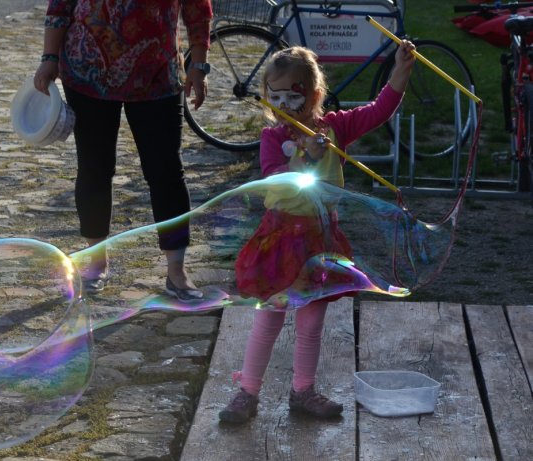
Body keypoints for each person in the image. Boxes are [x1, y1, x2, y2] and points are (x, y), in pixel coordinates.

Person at [219, 42, 416, 423]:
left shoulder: (336, 127)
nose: (283, 104)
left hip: (319, 239)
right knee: (269, 318)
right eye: (273, 96)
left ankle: (303, 391)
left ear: (313, 94)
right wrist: (305, 156)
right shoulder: (272, 137)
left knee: (311, 323)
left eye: (292, 95)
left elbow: (379, 111)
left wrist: (401, 72)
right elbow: (273, 175)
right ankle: (247, 392)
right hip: (280, 239)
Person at [33, 0, 212, 301]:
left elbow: (198, 8)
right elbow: (60, 5)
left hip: (158, 74)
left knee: (166, 171)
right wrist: (49, 57)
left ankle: (176, 271)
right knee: (94, 168)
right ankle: (96, 261)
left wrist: (199, 64)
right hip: (88, 73)